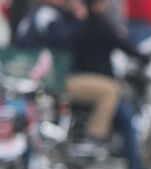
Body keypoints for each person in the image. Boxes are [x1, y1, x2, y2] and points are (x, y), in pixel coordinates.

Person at [14, 0, 119, 159]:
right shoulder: (47, 14)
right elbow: (65, 40)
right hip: (53, 79)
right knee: (110, 90)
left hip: (37, 79)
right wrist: (80, 19)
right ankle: (93, 139)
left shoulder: (33, 15)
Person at [75, 0, 151, 169]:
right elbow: (126, 46)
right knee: (128, 123)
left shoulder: (77, 24)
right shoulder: (103, 25)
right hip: (99, 84)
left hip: (78, 82)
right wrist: (146, 57)